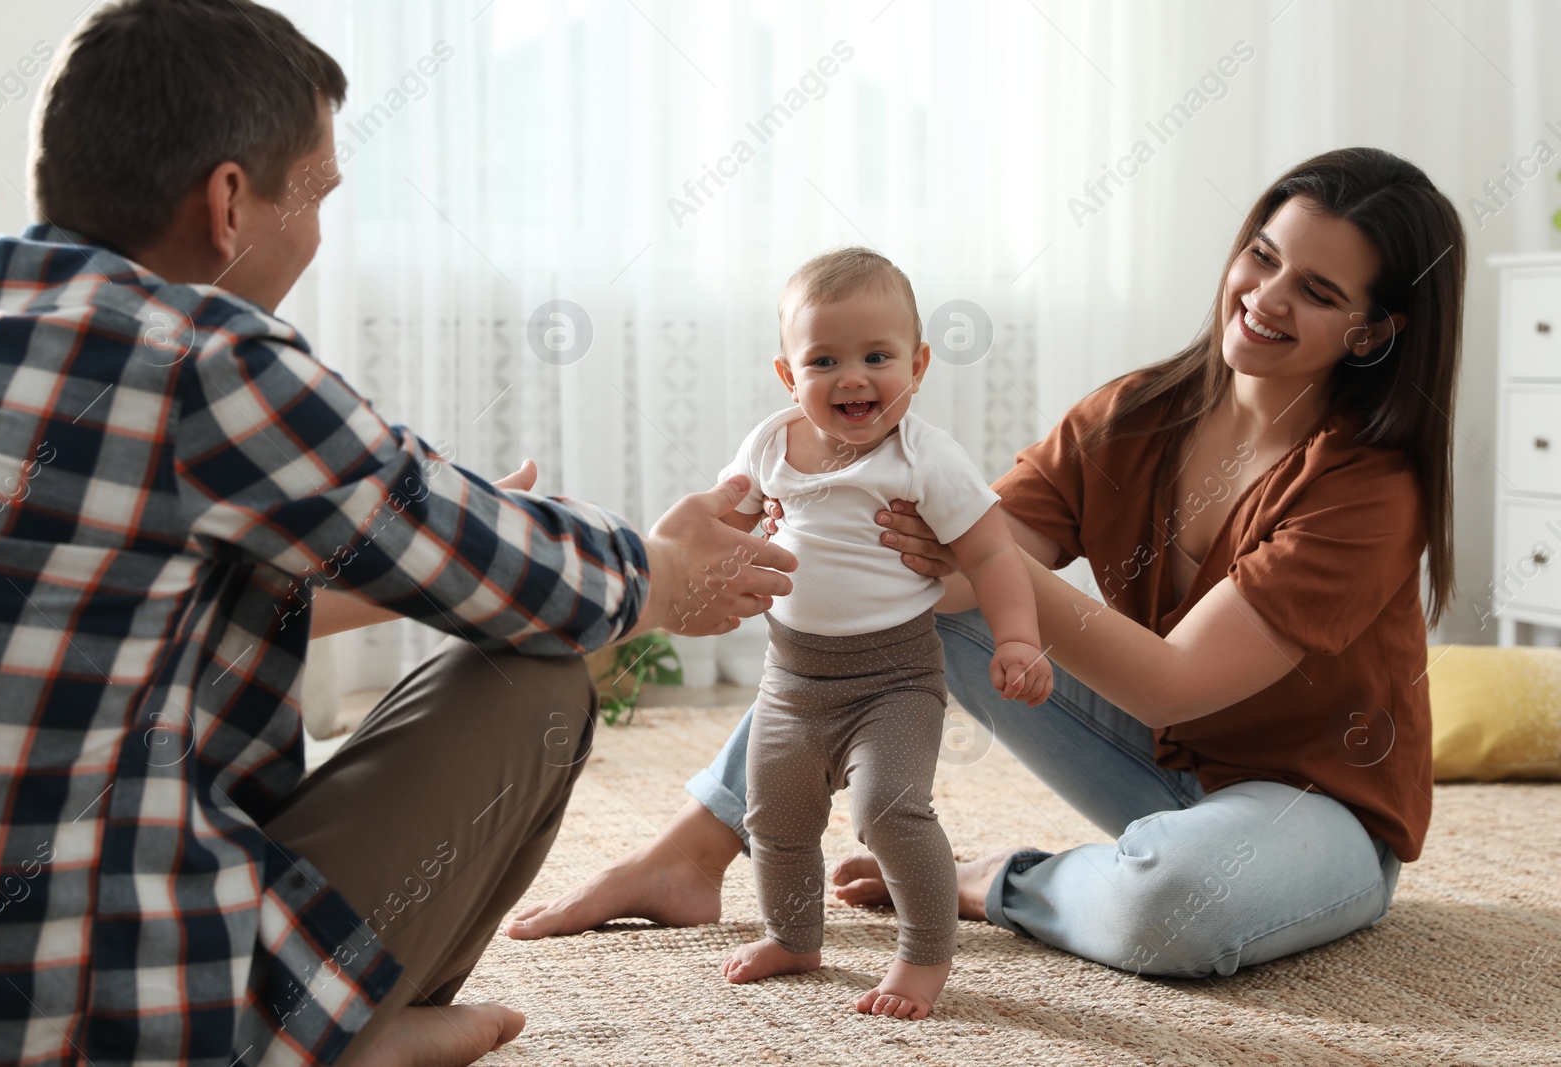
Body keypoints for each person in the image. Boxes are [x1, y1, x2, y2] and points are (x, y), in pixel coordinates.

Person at [0, 3, 794, 1066]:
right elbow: (530, 579)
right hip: (111, 1013)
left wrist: (422, 550)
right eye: (317, 196)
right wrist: (660, 572)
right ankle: (316, 1036)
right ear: (227, 202)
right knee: (536, 673)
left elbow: (123, 607)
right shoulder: (205, 361)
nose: (317, 232)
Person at [509, 147, 1464, 985]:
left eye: (1319, 292)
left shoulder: (1370, 487)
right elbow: (948, 581)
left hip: (1312, 808)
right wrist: (788, 536)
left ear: (1370, 332)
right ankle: (692, 851)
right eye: (1263, 254)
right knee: (899, 595)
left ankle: (994, 880)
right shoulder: (1132, 413)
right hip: (1150, 767)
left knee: (1168, 907)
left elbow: (1179, 689)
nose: (1265, 296)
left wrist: (986, 557)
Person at [713, 248, 1050, 1019]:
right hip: (790, 681)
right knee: (775, 815)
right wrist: (715, 558)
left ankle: (924, 955)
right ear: (788, 376)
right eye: (824, 359)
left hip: (894, 679)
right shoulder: (769, 444)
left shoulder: (924, 455)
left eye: (877, 356)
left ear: (919, 364)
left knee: (890, 808)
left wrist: (1019, 638)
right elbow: (720, 520)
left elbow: (994, 550)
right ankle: (794, 935)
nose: (853, 377)